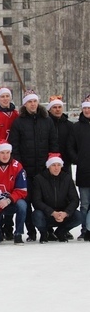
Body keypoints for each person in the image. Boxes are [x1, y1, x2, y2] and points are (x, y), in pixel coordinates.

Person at [8, 89, 58, 241]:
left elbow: (53, 142)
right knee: (28, 201)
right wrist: (19, 166)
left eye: (35, 101)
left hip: (43, 170)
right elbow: (14, 146)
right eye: (30, 101)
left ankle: (47, 229)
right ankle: (31, 231)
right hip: (26, 170)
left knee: (45, 200)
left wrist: (51, 163)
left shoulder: (47, 120)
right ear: (25, 104)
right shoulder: (18, 122)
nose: (33, 104)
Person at [32, 153, 82, 243]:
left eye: (59, 165)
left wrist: (66, 213)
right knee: (36, 215)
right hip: (47, 214)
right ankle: (44, 233)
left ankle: (61, 232)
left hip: (63, 214)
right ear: (48, 166)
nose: (56, 168)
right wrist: (52, 212)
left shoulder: (67, 178)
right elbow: (36, 201)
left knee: (78, 216)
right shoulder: (39, 179)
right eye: (53, 165)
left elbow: (75, 199)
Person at [0, 140, 28, 245]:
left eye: (7, 152)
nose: (5, 156)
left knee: (22, 205)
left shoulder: (17, 166)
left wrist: (9, 200)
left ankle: (18, 234)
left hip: (9, 204)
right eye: (2, 153)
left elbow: (22, 190)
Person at [68, 96, 90, 240]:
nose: (87, 110)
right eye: (85, 108)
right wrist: (78, 160)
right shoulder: (76, 127)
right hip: (84, 171)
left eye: (89, 108)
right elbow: (70, 147)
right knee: (85, 203)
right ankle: (84, 230)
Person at [47, 96, 73, 176]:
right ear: (50, 109)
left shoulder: (69, 125)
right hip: (49, 162)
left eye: (59, 107)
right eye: (54, 107)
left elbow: (72, 143)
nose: (57, 109)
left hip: (65, 162)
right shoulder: (45, 124)